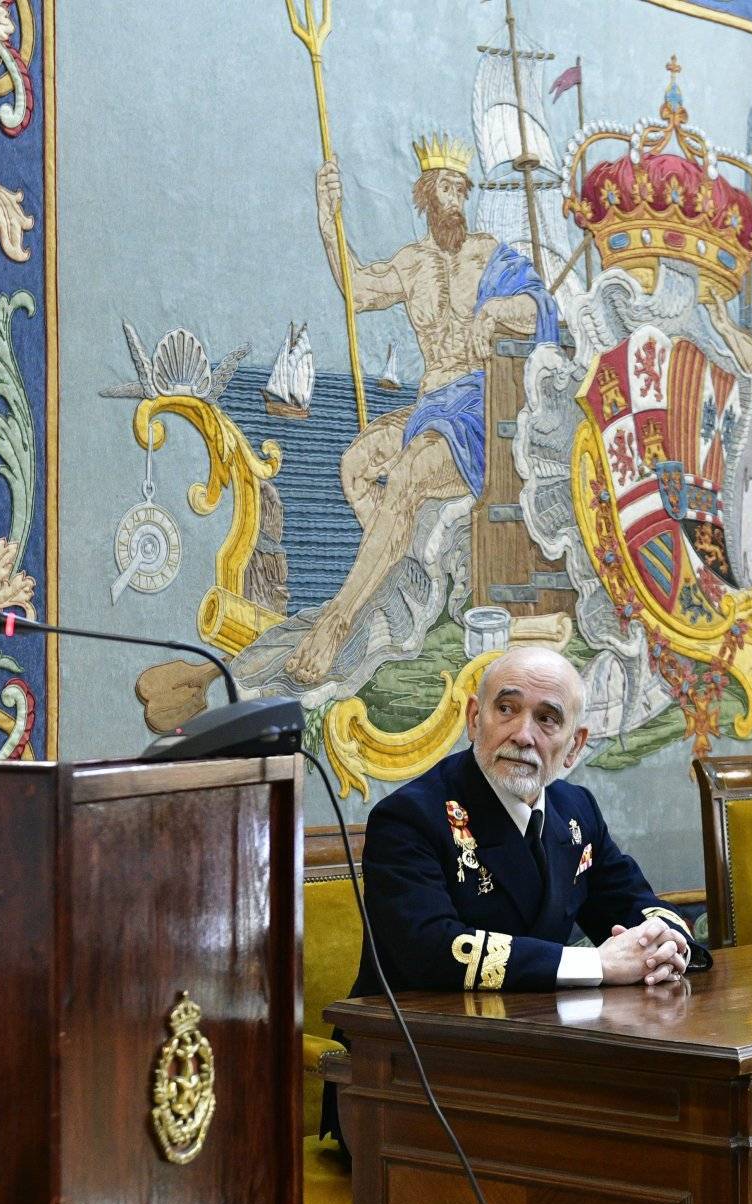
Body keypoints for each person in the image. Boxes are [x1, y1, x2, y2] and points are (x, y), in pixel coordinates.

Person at [288, 135, 561, 687]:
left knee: (409, 473)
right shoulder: (412, 265)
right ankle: (393, 575)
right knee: (355, 465)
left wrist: (501, 310)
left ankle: (336, 626)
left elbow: (542, 307)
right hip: (430, 407)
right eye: (446, 187)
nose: (457, 198)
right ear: (426, 195)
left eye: (463, 188)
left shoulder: (488, 255)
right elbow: (358, 290)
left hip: (477, 412)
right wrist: (327, 218)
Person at [354, 646, 708, 997]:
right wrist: (596, 965)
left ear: (574, 745)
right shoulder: (409, 817)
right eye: (506, 709)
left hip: (536, 1027)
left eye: (547, 719)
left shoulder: (576, 809)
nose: (522, 735)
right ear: (475, 719)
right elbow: (429, 949)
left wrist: (667, 946)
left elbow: (631, 902)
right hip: (413, 1039)